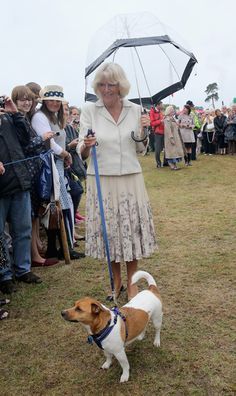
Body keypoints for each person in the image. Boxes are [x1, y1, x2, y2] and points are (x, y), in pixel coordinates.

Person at [78, 62, 156, 301]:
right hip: (102, 180)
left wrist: (144, 132)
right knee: (110, 231)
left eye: (111, 84)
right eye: (101, 84)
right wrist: (86, 146)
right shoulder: (90, 110)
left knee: (131, 230)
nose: (106, 89)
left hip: (130, 178)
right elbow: (81, 148)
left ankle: (132, 283)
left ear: (120, 85)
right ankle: (116, 281)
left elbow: (141, 149)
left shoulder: (135, 110)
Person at [31, 85, 85, 260]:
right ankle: (58, 248)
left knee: (63, 205)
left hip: (59, 166)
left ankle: (64, 246)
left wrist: (64, 155)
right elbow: (50, 145)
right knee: (55, 207)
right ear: (44, 101)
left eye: (58, 100)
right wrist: (66, 153)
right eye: (51, 100)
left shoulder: (55, 117)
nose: (54, 103)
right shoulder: (40, 117)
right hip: (49, 166)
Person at [11, 85, 58, 267]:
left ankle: (36, 250)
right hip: (25, 175)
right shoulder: (16, 120)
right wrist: (42, 138)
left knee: (34, 215)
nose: (27, 102)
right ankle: (34, 256)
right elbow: (23, 148)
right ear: (14, 102)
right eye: (22, 99)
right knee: (29, 218)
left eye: (29, 99)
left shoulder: (25, 118)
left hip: (31, 173)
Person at [0, 96, 42, 294]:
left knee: (23, 230)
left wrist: (15, 113)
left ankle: (23, 269)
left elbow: (26, 139)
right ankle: (4, 275)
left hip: (19, 181)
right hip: (1, 187)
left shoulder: (9, 118)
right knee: (0, 235)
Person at [163, 106, 184, 170]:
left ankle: (175, 165)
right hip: (170, 138)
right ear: (169, 111)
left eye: (173, 111)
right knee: (171, 152)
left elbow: (176, 127)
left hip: (175, 137)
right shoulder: (167, 119)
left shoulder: (173, 119)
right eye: (172, 111)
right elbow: (168, 130)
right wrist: (171, 137)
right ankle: (171, 165)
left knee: (175, 152)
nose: (173, 112)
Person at [149, 101, 164, 168]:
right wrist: (160, 121)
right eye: (161, 104)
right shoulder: (152, 111)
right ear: (158, 105)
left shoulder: (161, 111)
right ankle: (158, 163)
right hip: (157, 132)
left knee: (165, 148)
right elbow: (152, 123)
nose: (162, 106)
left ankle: (166, 162)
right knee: (158, 149)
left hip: (164, 131)